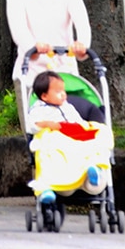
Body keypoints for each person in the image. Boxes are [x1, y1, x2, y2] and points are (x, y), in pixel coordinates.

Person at [6, 0, 91, 130]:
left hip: (64, 73)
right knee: (37, 130)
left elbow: (82, 23)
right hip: (32, 71)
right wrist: (33, 47)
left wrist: (82, 45)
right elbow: (19, 31)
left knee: (70, 124)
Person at [28, 71, 111, 203]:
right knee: (46, 155)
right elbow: (32, 126)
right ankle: (46, 189)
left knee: (101, 133)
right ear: (44, 96)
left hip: (72, 136)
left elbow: (78, 122)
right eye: (58, 91)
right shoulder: (37, 109)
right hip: (54, 138)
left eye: (63, 90)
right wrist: (46, 124)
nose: (64, 94)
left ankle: (94, 169)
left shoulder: (68, 107)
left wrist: (85, 128)